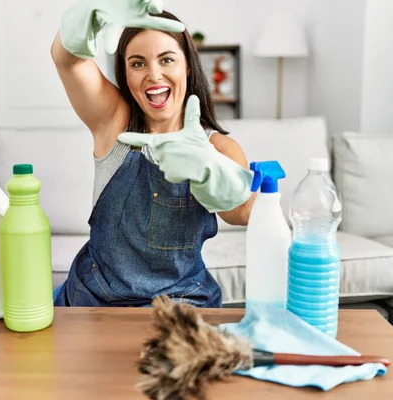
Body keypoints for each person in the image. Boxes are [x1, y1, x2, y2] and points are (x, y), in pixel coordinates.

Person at [51, 0, 255, 307]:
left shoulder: (219, 147)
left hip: (181, 305)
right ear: (125, 74)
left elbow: (242, 212)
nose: (153, 75)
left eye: (167, 59)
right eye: (137, 63)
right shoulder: (114, 122)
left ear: (187, 65)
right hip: (92, 301)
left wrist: (208, 168)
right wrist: (86, 13)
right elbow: (68, 61)